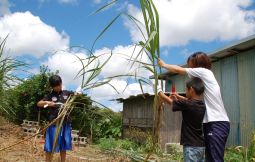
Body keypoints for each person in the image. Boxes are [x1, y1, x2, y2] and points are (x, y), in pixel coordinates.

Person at [158, 52, 230, 162]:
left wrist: (163, 65)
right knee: (211, 158)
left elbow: (178, 70)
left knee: (215, 159)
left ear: (198, 64)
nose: (189, 69)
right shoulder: (203, 81)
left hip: (216, 122)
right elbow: (194, 104)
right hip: (212, 123)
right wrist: (180, 97)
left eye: (191, 66)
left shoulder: (204, 72)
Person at [158, 77, 206, 162]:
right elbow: (188, 101)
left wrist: (160, 92)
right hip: (201, 146)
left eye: (186, 90)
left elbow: (171, 102)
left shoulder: (188, 104)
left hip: (191, 147)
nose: (185, 92)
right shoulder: (202, 104)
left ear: (191, 89)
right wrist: (177, 96)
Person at [37, 75, 73, 162]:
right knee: (50, 146)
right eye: (55, 87)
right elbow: (39, 103)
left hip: (65, 123)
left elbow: (77, 94)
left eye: (59, 86)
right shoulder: (50, 95)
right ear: (52, 87)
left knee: (63, 146)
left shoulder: (66, 93)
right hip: (54, 123)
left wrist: (79, 93)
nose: (57, 88)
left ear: (61, 83)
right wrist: (48, 103)